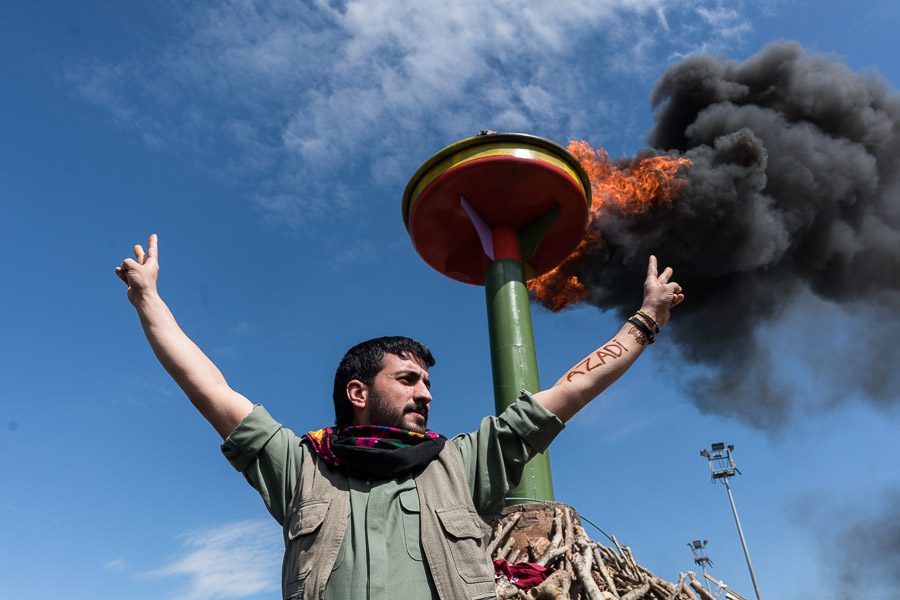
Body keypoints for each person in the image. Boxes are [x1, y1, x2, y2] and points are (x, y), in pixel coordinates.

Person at [116, 234, 684, 600]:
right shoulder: (300, 468)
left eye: (429, 384)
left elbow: (567, 392)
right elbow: (208, 387)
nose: (427, 395)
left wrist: (643, 324)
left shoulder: (465, 462)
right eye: (408, 380)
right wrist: (148, 300)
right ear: (358, 393)